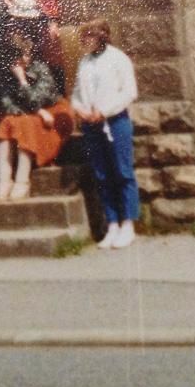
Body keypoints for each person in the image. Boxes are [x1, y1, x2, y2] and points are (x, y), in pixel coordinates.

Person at [71, 19, 139, 249]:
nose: (84, 41)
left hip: (116, 122)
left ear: (101, 36)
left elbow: (129, 92)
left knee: (122, 172)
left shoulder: (118, 59)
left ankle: (128, 223)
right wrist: (81, 109)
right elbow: (77, 93)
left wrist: (105, 110)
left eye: (88, 36)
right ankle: (112, 224)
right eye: (83, 36)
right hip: (92, 124)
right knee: (102, 175)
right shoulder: (84, 63)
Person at [0, 48, 74, 201]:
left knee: (26, 124)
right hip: (28, 112)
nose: (19, 60)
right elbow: (6, 103)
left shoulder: (41, 69)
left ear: (29, 55)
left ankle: (22, 181)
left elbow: (38, 100)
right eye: (14, 56)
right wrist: (32, 111)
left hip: (51, 111)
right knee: (6, 123)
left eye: (23, 55)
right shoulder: (6, 71)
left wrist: (22, 80)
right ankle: (5, 181)